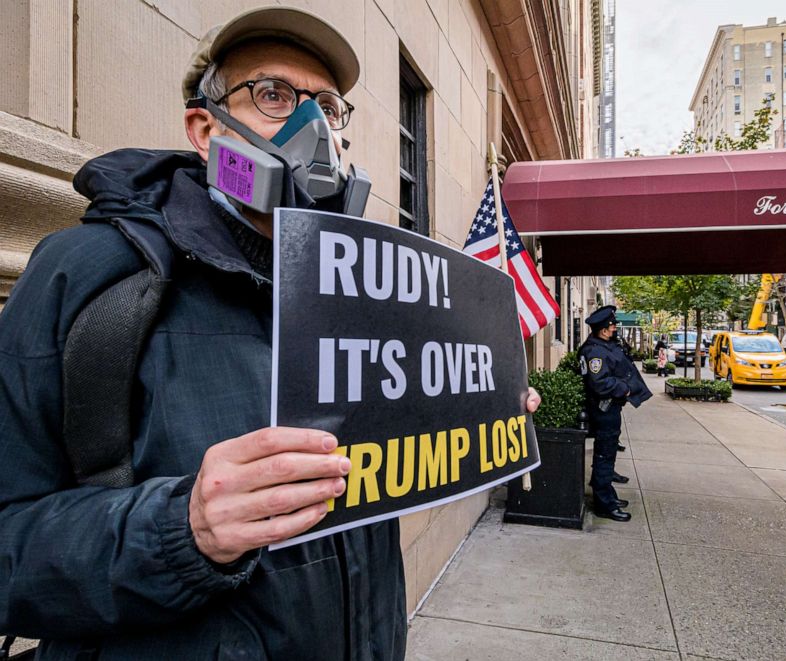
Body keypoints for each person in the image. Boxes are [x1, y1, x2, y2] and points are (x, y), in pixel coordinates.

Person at [0, 6, 540, 659]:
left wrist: (477, 409)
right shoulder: (93, 276)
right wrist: (182, 528)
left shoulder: (370, 299)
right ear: (205, 129)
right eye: (273, 95)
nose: (313, 128)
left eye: (328, 107)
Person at [578, 306, 652, 521]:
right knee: (604, 455)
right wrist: (625, 389)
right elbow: (600, 383)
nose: (614, 328)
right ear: (602, 330)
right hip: (604, 409)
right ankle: (604, 504)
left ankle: (606, 493)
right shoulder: (595, 352)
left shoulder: (601, 346)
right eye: (611, 325)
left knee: (606, 454)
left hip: (609, 409)